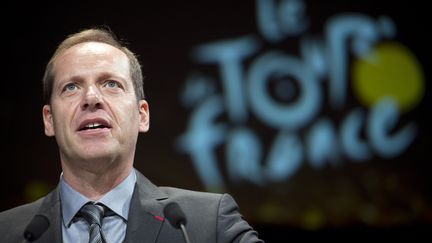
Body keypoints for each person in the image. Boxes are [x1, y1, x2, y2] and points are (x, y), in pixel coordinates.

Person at [0, 27, 263, 243]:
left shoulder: (206, 223)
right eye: (71, 87)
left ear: (142, 115)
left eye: (111, 84)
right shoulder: (8, 232)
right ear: (49, 120)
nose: (91, 98)